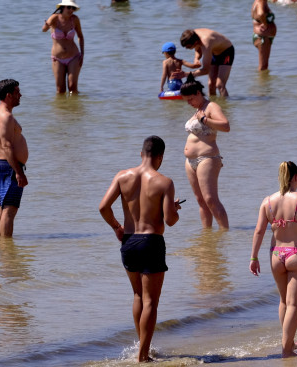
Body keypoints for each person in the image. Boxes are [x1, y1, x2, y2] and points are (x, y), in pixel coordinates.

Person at [98, 136, 181, 363]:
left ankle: (142, 346)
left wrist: (117, 227)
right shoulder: (164, 182)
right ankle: (143, 356)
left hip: (129, 242)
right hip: (151, 242)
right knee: (151, 301)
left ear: (141, 153)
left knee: (137, 296)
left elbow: (103, 207)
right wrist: (173, 209)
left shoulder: (122, 176)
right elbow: (170, 220)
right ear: (160, 157)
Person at [250, 161, 297, 357]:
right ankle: (286, 348)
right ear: (295, 177)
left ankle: (288, 342)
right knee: (294, 304)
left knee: (283, 301)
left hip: (276, 255)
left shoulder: (267, 201)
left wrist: (253, 257)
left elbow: (258, 231)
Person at [180, 75, 230, 228]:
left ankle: (224, 233)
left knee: (210, 199)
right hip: (190, 161)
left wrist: (205, 120)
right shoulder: (198, 109)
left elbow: (226, 126)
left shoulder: (211, 107)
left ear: (197, 93)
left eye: (190, 99)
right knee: (200, 200)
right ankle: (207, 237)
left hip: (207, 158)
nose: (188, 102)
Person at [0, 79, 29, 237]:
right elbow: (6, 146)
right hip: (9, 167)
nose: (20, 95)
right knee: (9, 210)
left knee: (2, 207)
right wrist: (18, 172)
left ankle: (2, 247)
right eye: (17, 92)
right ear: (8, 95)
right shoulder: (5, 117)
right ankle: (7, 254)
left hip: (3, 166)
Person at [42, 0, 85, 93]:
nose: (71, 10)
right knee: (60, 89)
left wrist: (82, 53)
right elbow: (44, 30)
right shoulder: (54, 18)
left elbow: (80, 36)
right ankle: (61, 108)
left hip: (73, 56)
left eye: (73, 8)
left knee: (72, 88)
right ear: (63, 7)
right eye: (68, 7)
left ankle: (74, 108)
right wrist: (46, 25)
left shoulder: (75, 19)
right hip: (58, 59)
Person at [179, 28, 234, 97]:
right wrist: (196, 59)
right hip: (214, 52)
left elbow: (206, 70)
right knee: (211, 84)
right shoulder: (193, 34)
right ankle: (212, 105)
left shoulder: (206, 42)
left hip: (227, 53)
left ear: (195, 42)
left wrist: (187, 74)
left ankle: (226, 107)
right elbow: (198, 48)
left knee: (220, 85)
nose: (187, 49)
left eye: (189, 47)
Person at [252, 0, 277, 71]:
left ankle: (265, 84)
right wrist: (265, 24)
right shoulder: (261, 2)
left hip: (264, 37)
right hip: (262, 37)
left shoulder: (260, 1)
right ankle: (261, 83)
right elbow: (260, 13)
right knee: (263, 66)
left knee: (265, 65)